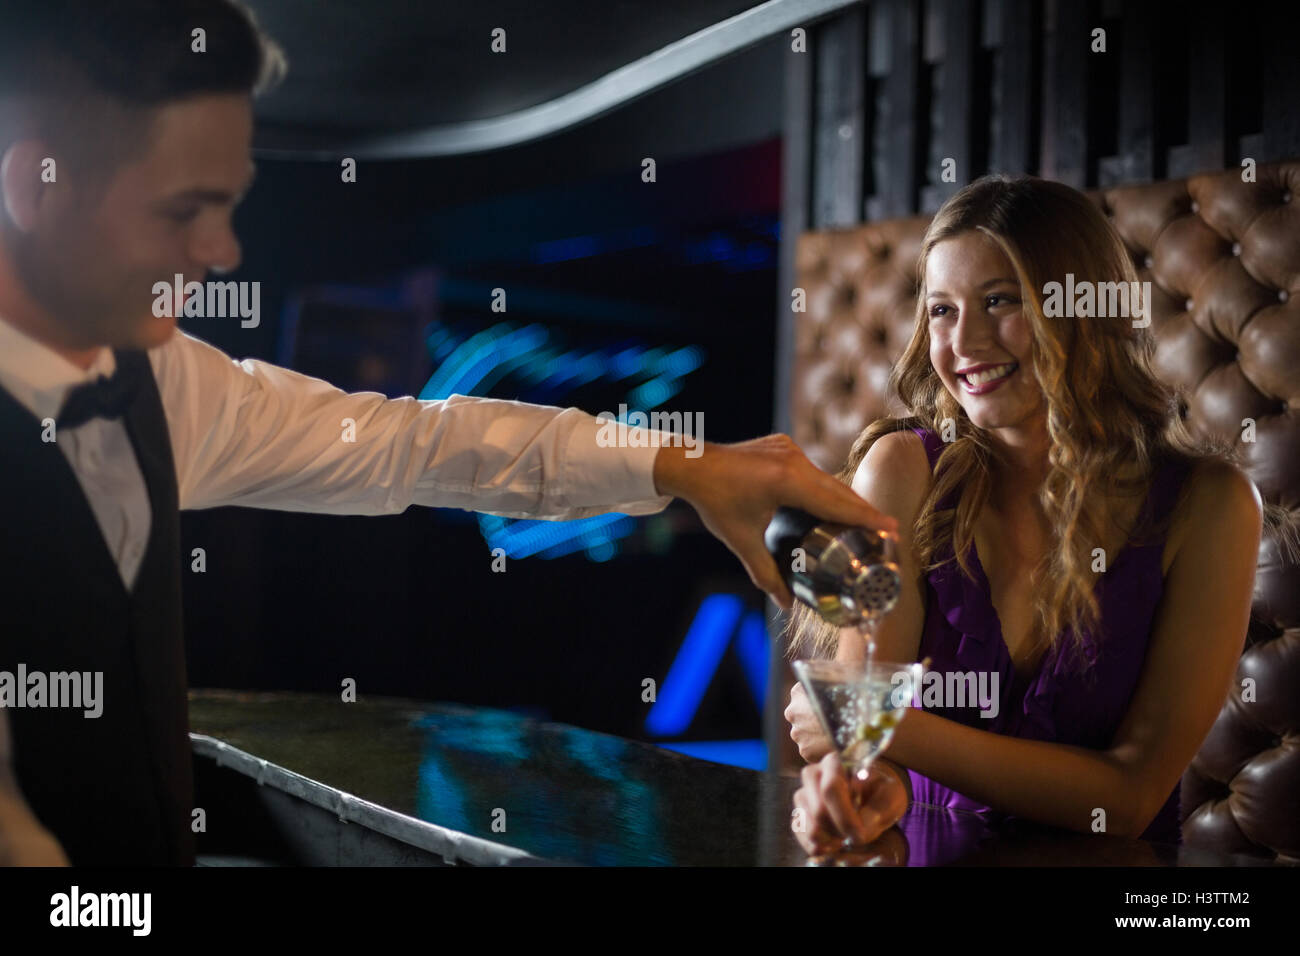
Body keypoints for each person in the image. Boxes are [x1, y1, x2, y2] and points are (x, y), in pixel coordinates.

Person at [0, 0, 896, 866]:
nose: (224, 248)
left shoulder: (160, 384)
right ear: (33, 189)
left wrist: (686, 466)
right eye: (182, 210)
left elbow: (419, 442)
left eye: (229, 203)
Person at [785, 174, 1266, 856]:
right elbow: (863, 746)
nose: (965, 343)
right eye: (943, 310)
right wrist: (866, 791)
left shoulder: (1210, 504)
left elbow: (1126, 797)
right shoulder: (899, 472)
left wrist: (879, 725)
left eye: (1001, 301)